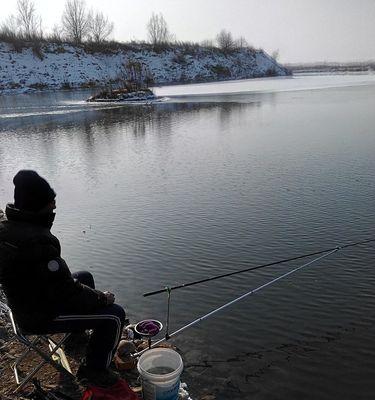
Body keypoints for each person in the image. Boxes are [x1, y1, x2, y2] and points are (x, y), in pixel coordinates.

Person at [0, 170, 126, 386]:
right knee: (114, 316)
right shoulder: (37, 242)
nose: (55, 208)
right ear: (38, 206)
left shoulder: (9, 228)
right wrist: (101, 298)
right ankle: (94, 371)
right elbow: (67, 291)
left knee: (84, 276)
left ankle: (76, 337)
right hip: (38, 316)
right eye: (51, 204)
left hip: (24, 302)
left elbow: (59, 283)